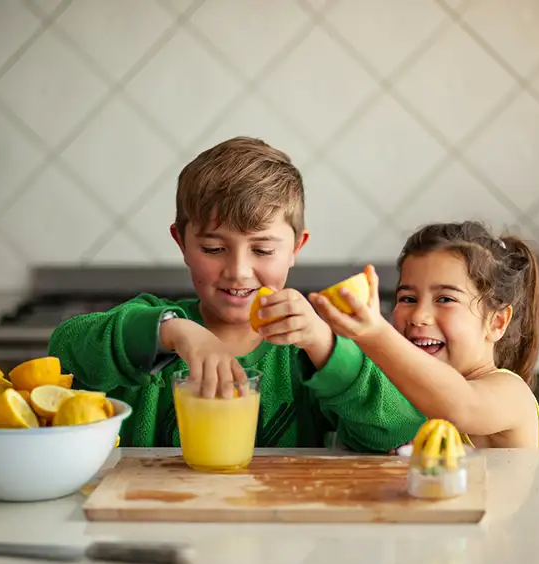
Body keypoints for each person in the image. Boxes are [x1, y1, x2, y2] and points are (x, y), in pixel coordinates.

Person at [48, 136, 424, 450]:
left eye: (262, 250)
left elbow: (396, 429)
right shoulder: (153, 328)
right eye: (214, 249)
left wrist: (325, 347)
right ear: (181, 242)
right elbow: (63, 353)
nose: (238, 271)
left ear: (296, 248)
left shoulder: (311, 349)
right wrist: (173, 332)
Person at [311, 221, 539, 448]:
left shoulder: (512, 395)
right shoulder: (407, 401)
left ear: (497, 322)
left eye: (445, 299)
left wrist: (375, 335)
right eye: (408, 299)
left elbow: (460, 406)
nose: (419, 316)